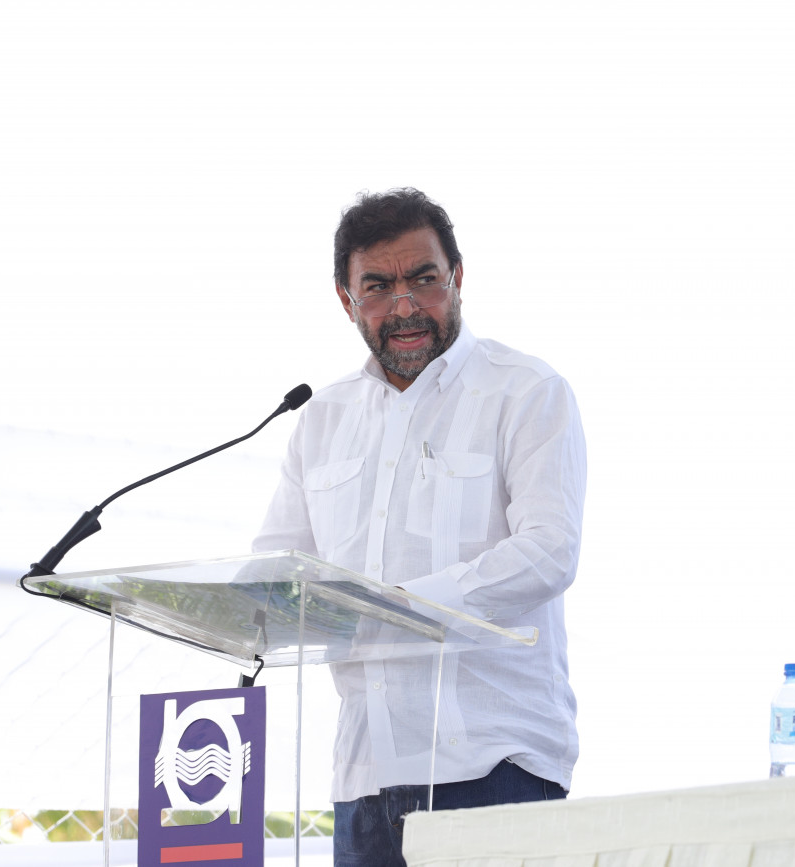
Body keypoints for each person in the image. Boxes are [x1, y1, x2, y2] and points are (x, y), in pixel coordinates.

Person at [253, 188, 586, 866]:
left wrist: (402, 605)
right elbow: (276, 572)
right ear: (347, 299)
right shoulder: (321, 419)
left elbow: (549, 551)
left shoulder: (525, 391)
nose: (404, 306)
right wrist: (236, 606)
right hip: (363, 776)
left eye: (423, 280)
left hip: (495, 767)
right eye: (378, 286)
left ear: (457, 278)